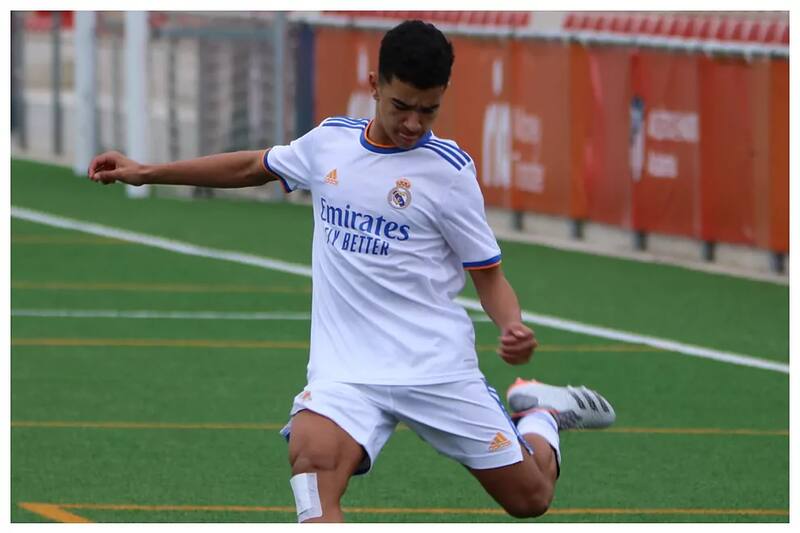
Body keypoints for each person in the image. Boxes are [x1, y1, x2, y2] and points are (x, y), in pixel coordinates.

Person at [87, 19, 615, 522]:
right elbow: (252, 166)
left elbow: (489, 276)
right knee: (312, 463)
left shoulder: (449, 174)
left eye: (428, 111)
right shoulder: (329, 144)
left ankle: (540, 412)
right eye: (400, 106)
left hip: (434, 368)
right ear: (373, 85)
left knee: (531, 498)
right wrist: (145, 171)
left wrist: (511, 326)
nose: (413, 124)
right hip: (345, 373)